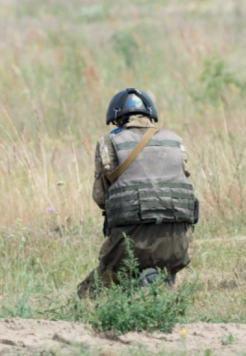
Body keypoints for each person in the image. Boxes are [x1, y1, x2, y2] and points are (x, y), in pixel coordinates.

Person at [77, 88, 197, 298]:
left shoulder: (108, 143)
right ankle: (158, 283)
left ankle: (138, 287)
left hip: (129, 243)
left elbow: (100, 197)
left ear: (117, 120)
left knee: (88, 294)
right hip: (178, 245)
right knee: (162, 272)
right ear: (150, 116)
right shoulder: (175, 141)